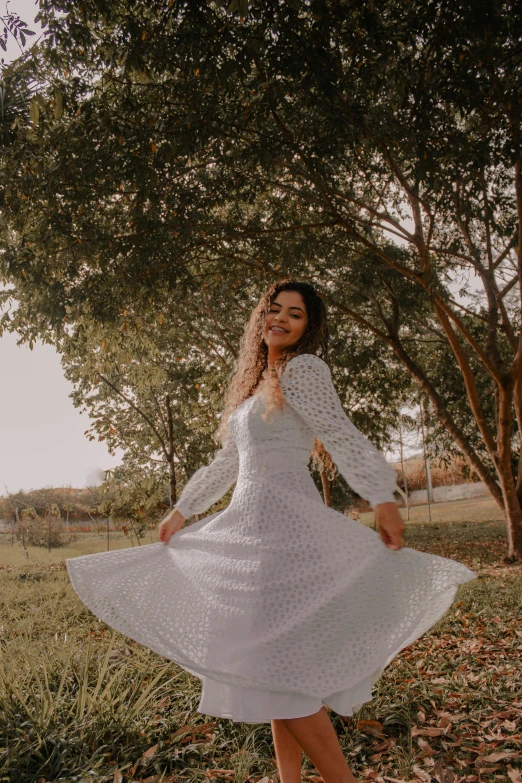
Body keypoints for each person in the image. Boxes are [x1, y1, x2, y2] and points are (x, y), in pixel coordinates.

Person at [67, 280, 477, 783]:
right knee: (275, 670)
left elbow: (340, 432)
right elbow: (228, 462)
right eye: (274, 309)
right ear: (261, 317)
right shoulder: (259, 385)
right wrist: (182, 510)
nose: (281, 319)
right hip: (250, 530)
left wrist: (383, 497)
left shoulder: (303, 370)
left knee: (281, 675)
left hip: (287, 531)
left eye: (295, 314)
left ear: (308, 327)